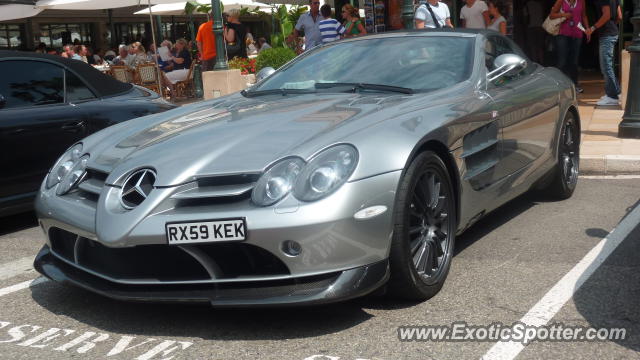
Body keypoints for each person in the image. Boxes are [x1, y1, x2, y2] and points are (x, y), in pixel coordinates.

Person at [586, 0, 622, 106]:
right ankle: (615, 92)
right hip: (612, 32)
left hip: (607, 34)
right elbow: (619, 16)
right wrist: (611, 26)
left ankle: (612, 97)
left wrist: (593, 28)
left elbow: (607, 15)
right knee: (607, 66)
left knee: (606, 67)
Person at [550, 0, 589, 93]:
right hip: (562, 34)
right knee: (562, 61)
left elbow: (584, 15)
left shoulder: (581, 1)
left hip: (577, 33)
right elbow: (552, 15)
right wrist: (564, 15)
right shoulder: (561, 1)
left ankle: (575, 85)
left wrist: (587, 29)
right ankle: (560, 86)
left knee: (574, 62)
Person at [523, 0, 546, 64]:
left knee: (533, 46)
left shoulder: (526, 6)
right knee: (540, 47)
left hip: (531, 28)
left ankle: (535, 63)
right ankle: (542, 62)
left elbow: (525, 18)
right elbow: (543, 16)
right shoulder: (540, 4)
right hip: (540, 27)